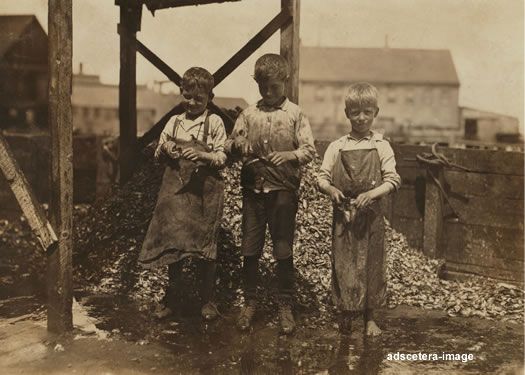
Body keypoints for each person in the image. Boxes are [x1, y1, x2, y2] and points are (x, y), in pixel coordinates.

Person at [226, 53, 316, 334]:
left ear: (285, 82)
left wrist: (290, 154)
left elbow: (310, 151)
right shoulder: (248, 115)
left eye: (274, 87)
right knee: (250, 250)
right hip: (253, 192)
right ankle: (250, 303)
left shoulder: (296, 114)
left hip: (283, 193)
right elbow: (229, 147)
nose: (267, 92)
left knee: (282, 249)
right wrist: (236, 144)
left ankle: (285, 306)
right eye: (262, 87)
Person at [138, 67, 227, 321]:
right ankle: (172, 297)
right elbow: (157, 155)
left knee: (204, 248)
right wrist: (166, 147)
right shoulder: (175, 121)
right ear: (181, 93)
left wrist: (203, 155)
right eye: (187, 96)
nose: (192, 103)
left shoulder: (214, 122)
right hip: (176, 192)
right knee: (173, 245)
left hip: (204, 194)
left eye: (199, 99)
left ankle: (208, 300)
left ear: (210, 97)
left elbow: (222, 156)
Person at [317, 82, 401, 336]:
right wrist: (331, 190)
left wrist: (371, 195)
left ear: (376, 112)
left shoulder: (381, 145)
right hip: (344, 216)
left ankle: (369, 318)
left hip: (372, 216)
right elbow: (321, 177)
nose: (361, 118)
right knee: (344, 263)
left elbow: (393, 180)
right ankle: (346, 314)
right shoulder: (337, 146)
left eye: (367, 112)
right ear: (346, 114)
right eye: (355, 112)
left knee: (372, 265)